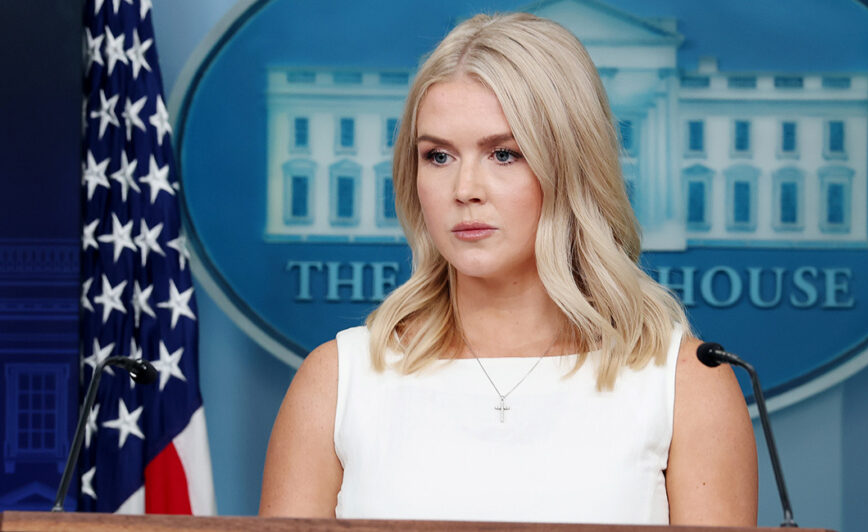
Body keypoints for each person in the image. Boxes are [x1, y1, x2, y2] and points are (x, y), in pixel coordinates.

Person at [259, 12, 756, 526]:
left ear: (571, 165)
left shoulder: (684, 381)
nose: (464, 188)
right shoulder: (338, 379)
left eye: (503, 153)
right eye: (438, 156)